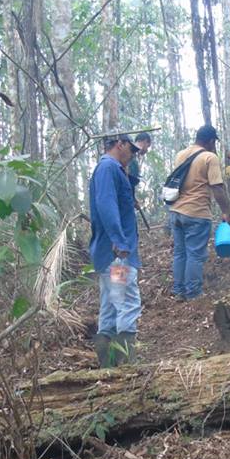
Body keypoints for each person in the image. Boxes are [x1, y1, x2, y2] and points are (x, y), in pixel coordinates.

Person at [89, 133, 142, 367]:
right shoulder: (108, 168)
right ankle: (127, 367)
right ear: (119, 144)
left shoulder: (112, 170)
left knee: (110, 306)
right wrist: (119, 241)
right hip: (116, 257)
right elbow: (106, 204)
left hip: (108, 254)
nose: (132, 155)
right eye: (131, 150)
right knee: (126, 303)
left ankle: (107, 368)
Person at [169, 124, 230, 300]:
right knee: (195, 254)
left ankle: (178, 290)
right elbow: (217, 188)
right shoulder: (209, 157)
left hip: (176, 211)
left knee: (180, 253)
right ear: (211, 141)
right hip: (196, 212)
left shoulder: (180, 155)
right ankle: (193, 293)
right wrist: (226, 211)